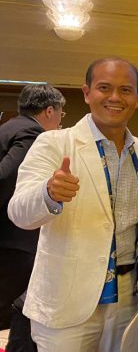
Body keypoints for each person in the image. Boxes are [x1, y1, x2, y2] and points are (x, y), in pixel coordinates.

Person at [8, 57, 138, 352]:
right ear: (87, 92)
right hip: (67, 298)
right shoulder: (54, 144)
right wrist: (49, 193)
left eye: (126, 90)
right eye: (104, 88)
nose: (115, 97)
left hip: (127, 297)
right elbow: (18, 212)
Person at [0, 83, 65, 330]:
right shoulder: (33, 133)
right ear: (49, 111)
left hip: (7, 239)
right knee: (11, 312)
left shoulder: (9, 127)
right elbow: (7, 177)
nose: (60, 120)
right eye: (60, 113)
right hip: (14, 239)